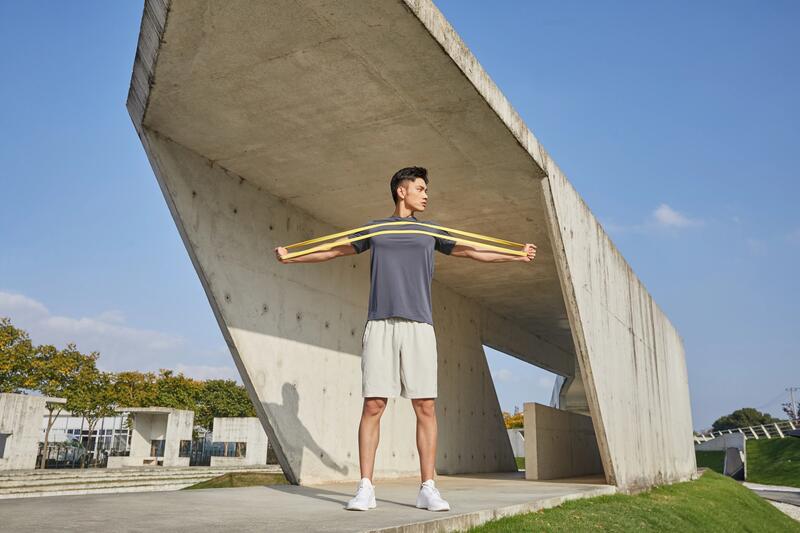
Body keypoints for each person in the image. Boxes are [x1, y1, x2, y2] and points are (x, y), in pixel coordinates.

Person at [274, 166, 536, 512]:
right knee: (373, 405)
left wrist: (516, 254)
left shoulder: (432, 231)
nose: (426, 194)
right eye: (421, 188)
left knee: (425, 407)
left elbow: (473, 250)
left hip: (419, 328)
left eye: (426, 189)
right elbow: (334, 249)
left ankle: (428, 487)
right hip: (380, 324)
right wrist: (293, 257)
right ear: (402, 191)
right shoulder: (375, 228)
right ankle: (366, 487)